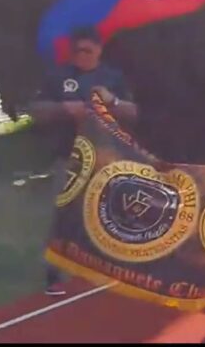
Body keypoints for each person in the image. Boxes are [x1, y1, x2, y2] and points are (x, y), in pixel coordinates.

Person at [29, 26, 137, 296]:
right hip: (69, 157)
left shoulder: (112, 77)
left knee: (105, 215)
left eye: (88, 50)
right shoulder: (58, 76)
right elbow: (36, 110)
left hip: (105, 159)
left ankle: (104, 267)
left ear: (99, 50)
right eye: (77, 51)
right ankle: (53, 274)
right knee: (62, 214)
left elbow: (134, 113)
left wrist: (113, 102)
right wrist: (63, 109)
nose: (82, 55)